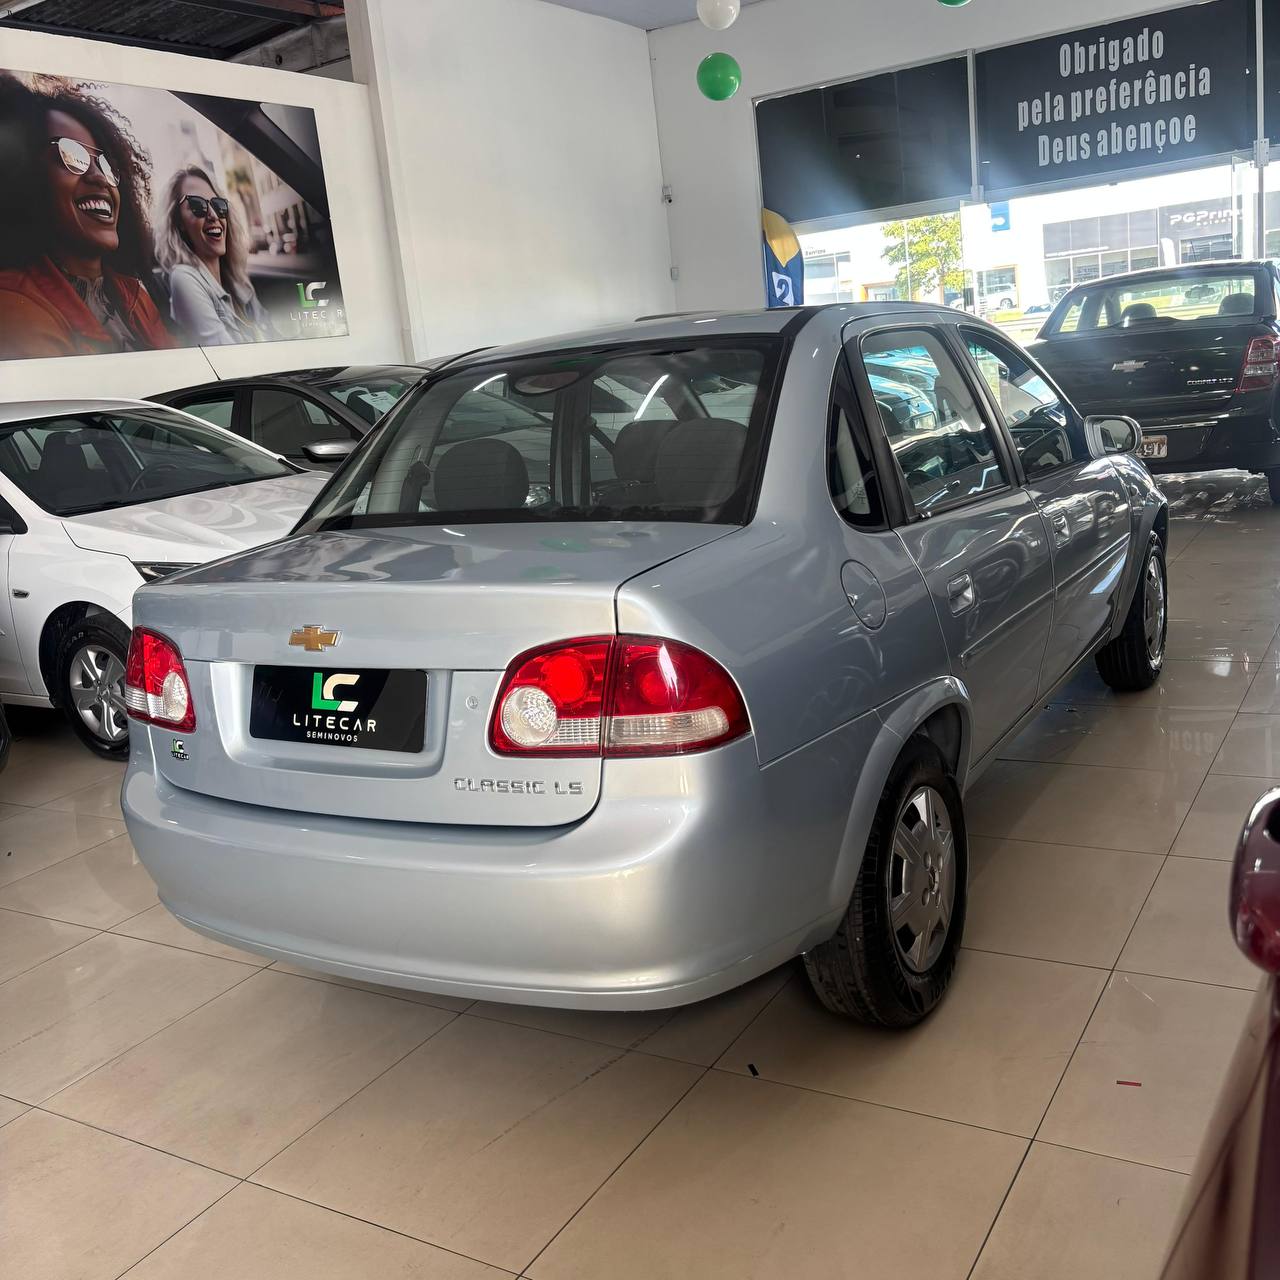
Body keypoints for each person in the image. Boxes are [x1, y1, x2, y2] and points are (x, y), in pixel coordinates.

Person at [0, 74, 174, 358]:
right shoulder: (14, 306)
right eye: (71, 155)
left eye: (104, 164)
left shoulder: (135, 295)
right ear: (26, 176)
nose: (100, 177)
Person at [155, 165, 273, 346]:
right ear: (179, 222)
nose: (213, 215)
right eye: (197, 205)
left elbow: (271, 331)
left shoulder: (237, 281)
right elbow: (228, 356)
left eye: (218, 205)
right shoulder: (184, 278)